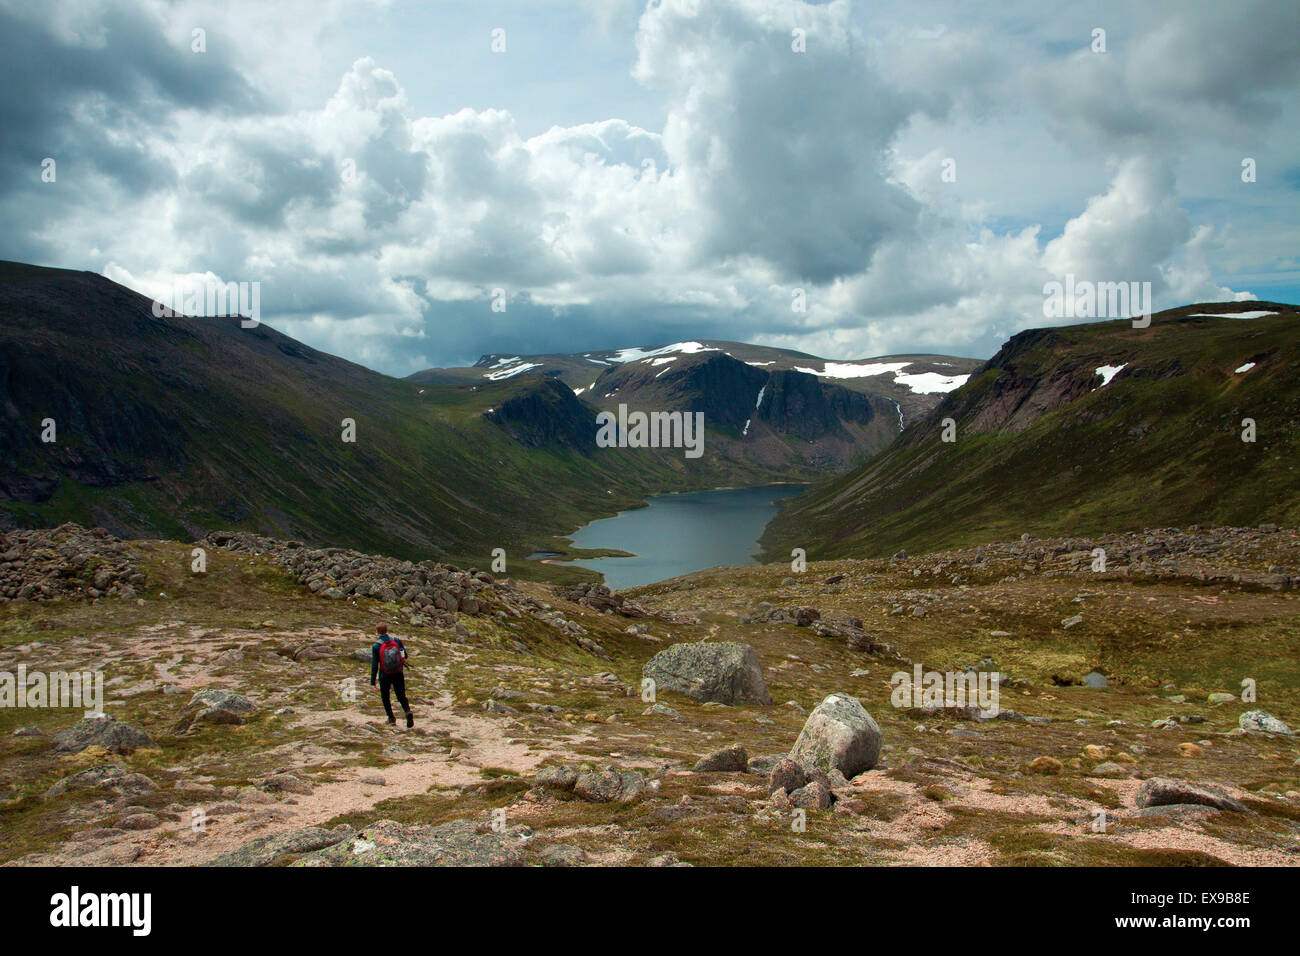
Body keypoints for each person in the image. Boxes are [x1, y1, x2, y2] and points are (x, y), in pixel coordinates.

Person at [370, 623, 413, 727]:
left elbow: (375, 665)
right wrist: (402, 660)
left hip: (385, 675)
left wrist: (372, 682)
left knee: (385, 697)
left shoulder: (376, 646)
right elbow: (404, 654)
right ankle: (407, 711)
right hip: (398, 672)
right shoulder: (396, 641)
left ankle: (391, 718)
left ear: (377, 632)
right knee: (401, 695)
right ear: (387, 630)